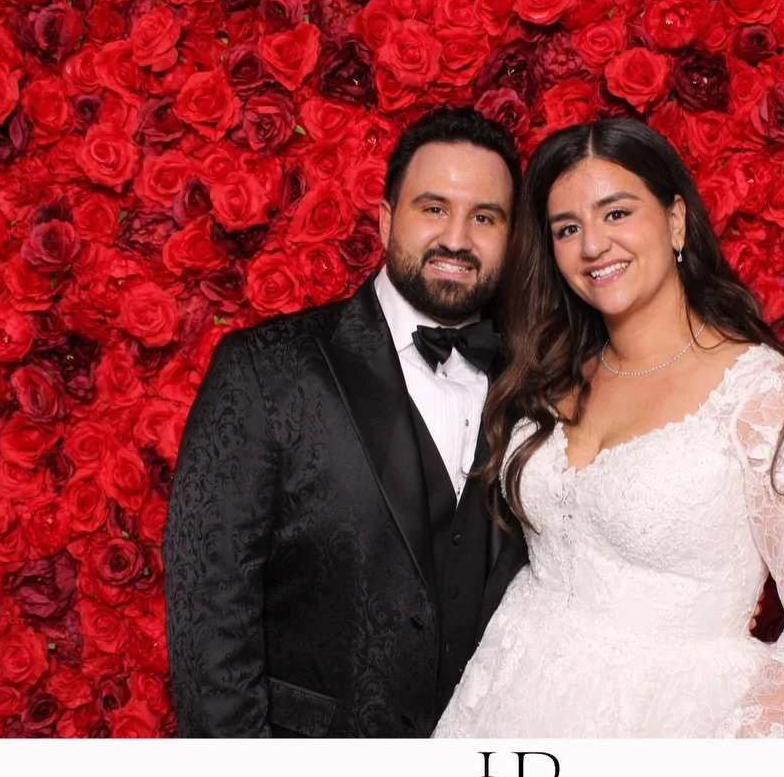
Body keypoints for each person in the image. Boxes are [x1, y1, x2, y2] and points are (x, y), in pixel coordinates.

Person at [434, 118, 784, 738]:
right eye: (567, 228)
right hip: (513, 689)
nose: (593, 245)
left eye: (616, 213)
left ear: (676, 220)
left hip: (679, 719)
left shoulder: (756, 390)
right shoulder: (551, 370)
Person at [163, 107, 528, 737]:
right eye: (433, 208)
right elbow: (209, 608)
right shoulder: (265, 369)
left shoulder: (538, 382)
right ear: (387, 220)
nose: (457, 239)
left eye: (485, 217)